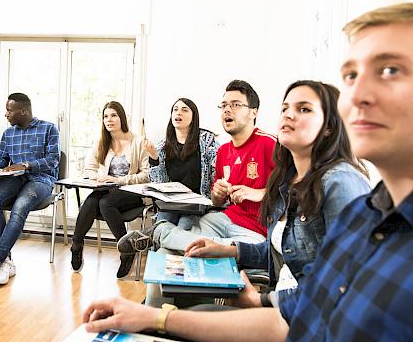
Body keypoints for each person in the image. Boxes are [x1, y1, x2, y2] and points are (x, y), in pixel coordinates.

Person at [79, 3, 413, 341]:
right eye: (351, 77)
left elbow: (301, 305)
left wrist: (254, 283)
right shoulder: (367, 208)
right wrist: (153, 318)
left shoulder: (338, 183)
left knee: (173, 252)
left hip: (248, 235)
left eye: (389, 70)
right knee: (170, 239)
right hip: (235, 236)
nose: (357, 95)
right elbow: (301, 308)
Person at [185, 80, 370, 309]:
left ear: (329, 127)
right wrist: (228, 250)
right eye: (284, 109)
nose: (288, 115)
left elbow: (343, 284)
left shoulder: (340, 183)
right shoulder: (287, 181)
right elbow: (282, 249)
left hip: (304, 319)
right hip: (281, 305)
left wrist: (261, 301)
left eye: (304, 109)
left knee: (191, 315)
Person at [117, 80, 276, 270]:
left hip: (254, 229)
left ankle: (161, 233)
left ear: (253, 112)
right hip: (222, 218)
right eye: (224, 105)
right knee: (164, 255)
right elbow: (217, 201)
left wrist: (259, 193)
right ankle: (178, 244)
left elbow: (296, 190)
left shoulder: (269, 144)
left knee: (229, 249)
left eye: (235, 105)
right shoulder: (224, 151)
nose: (227, 110)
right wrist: (218, 193)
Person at [0, 93, 60, 292]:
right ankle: (6, 261)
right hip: (14, 179)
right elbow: (2, 160)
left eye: (9, 110)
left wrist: (26, 165)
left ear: (23, 111)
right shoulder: (9, 133)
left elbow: (53, 160)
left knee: (20, 206)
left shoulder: (49, 128)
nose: (6, 114)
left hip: (41, 179)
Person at [71, 101, 149, 278]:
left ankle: (126, 250)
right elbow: (89, 169)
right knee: (91, 202)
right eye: (106, 116)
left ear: (122, 117)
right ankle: (76, 245)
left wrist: (118, 179)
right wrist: (97, 178)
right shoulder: (102, 142)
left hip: (131, 192)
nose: (109, 119)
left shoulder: (137, 142)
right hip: (106, 190)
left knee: (105, 203)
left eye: (113, 115)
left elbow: (146, 175)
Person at [143, 98, 218, 229]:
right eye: (175, 110)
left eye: (184, 110)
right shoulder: (162, 146)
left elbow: (217, 174)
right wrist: (154, 158)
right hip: (172, 202)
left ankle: (148, 239)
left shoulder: (207, 141)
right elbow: (160, 184)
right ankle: (149, 242)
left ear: (193, 117)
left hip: (197, 203)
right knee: (161, 227)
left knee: (182, 230)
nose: (178, 113)